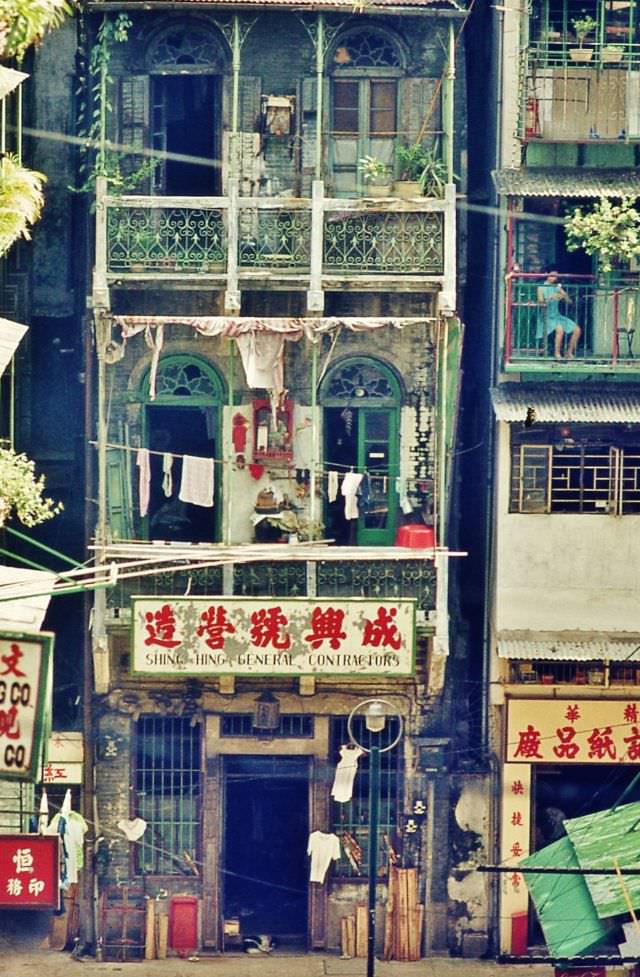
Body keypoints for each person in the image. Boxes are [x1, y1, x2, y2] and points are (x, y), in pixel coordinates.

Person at [537, 269, 582, 360]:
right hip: (546, 316)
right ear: (547, 275)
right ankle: (557, 354)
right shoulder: (541, 287)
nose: (555, 278)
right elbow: (541, 303)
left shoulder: (557, 287)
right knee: (560, 329)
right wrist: (550, 298)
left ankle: (569, 352)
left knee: (577, 329)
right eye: (552, 275)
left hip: (557, 316)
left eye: (556, 276)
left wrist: (564, 296)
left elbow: (570, 301)